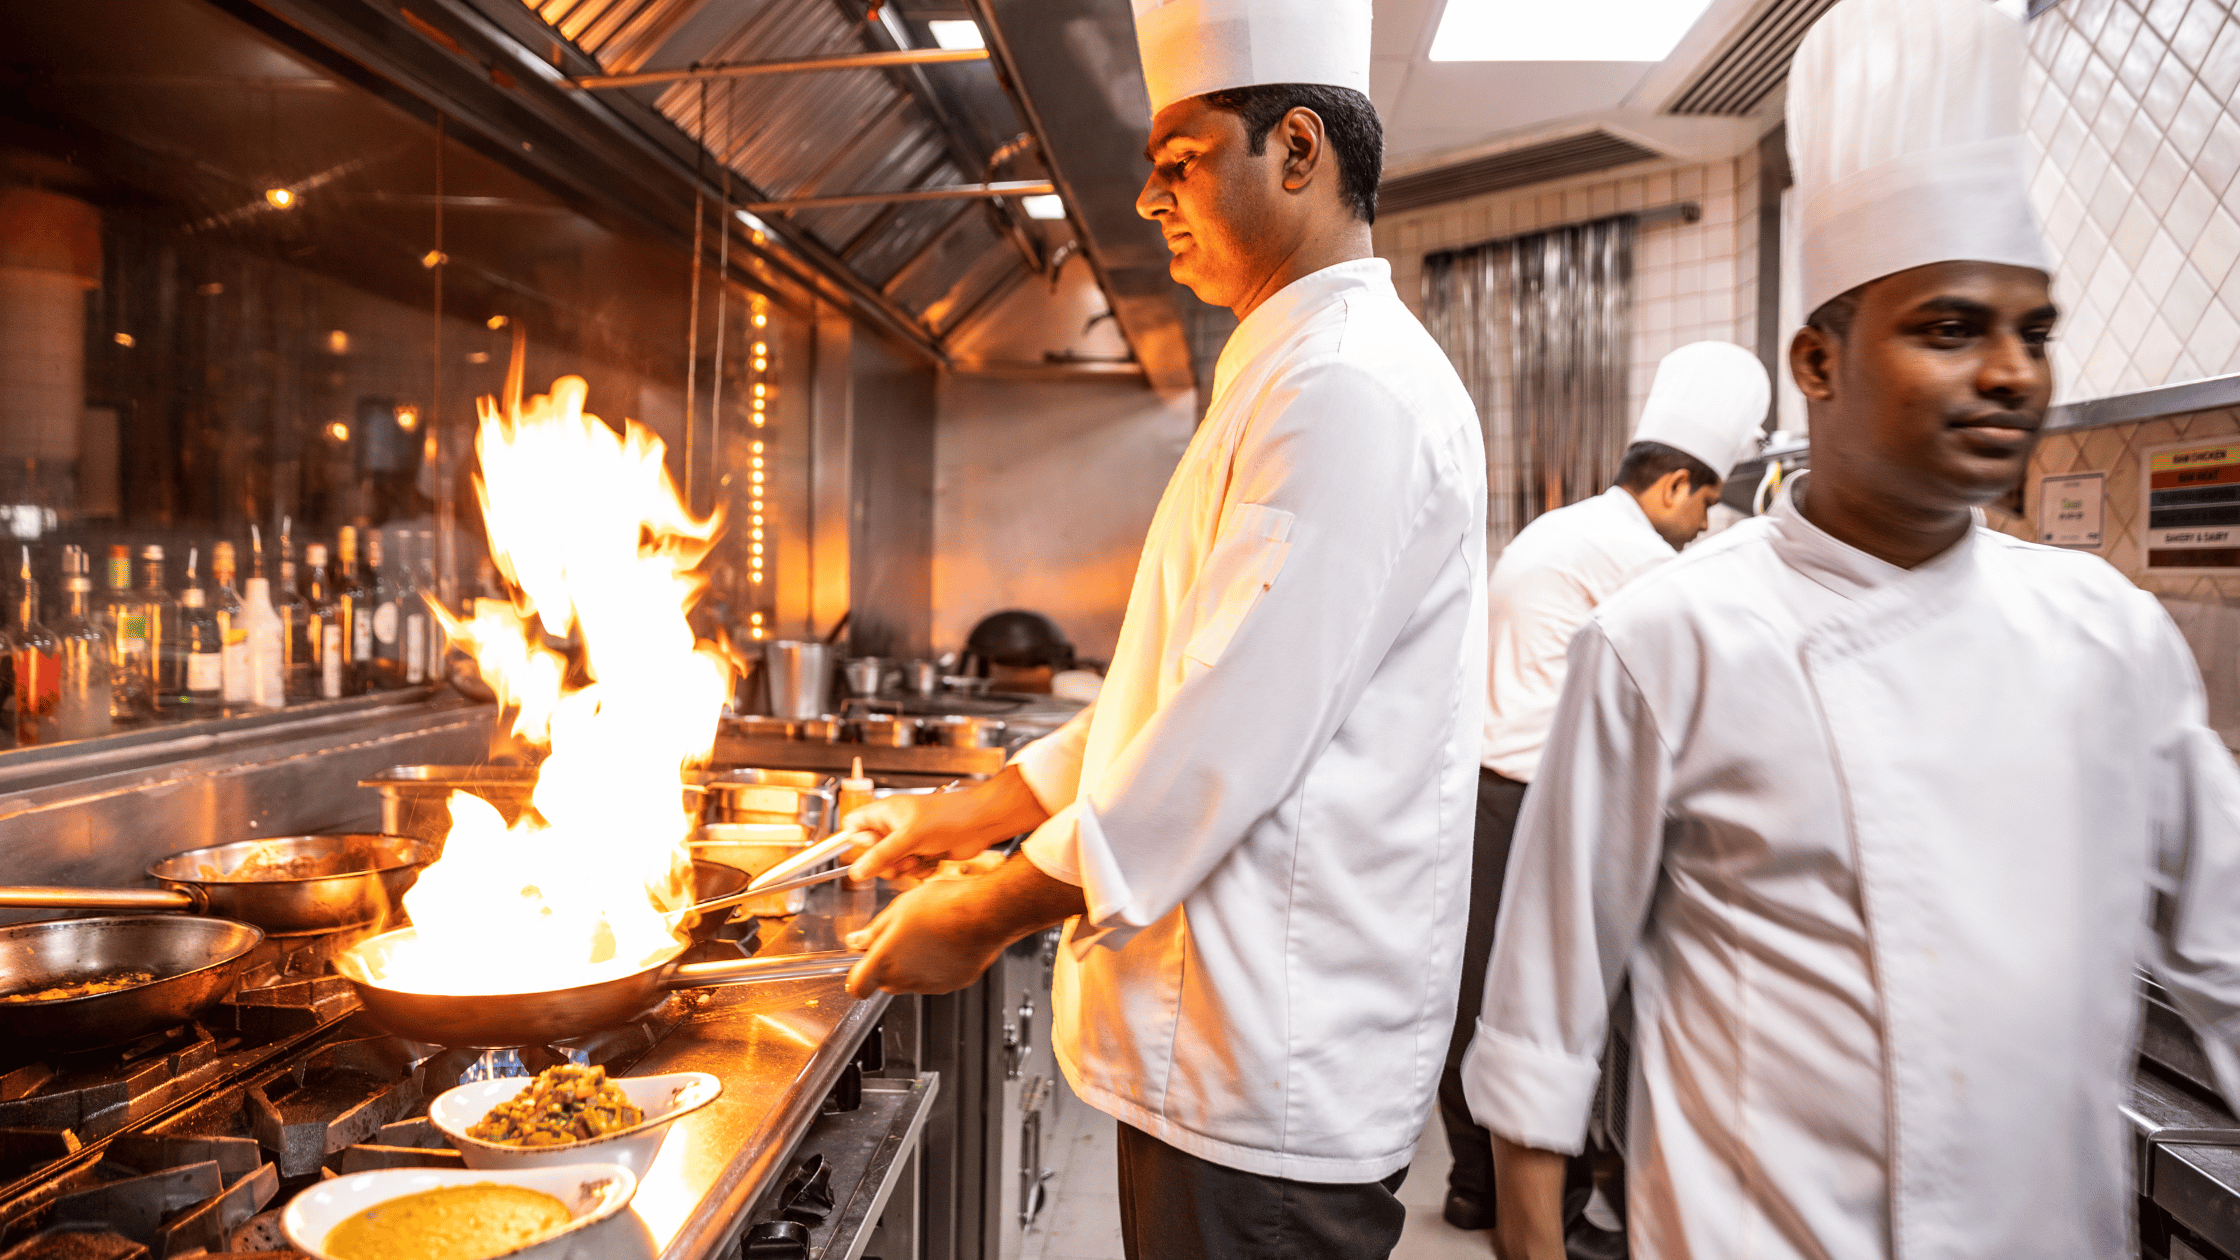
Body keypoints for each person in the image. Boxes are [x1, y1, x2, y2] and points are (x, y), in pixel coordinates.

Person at [1463, 1, 2240, 1257]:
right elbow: (1542, 1031)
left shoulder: (2110, 639)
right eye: (1947, 328)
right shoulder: (1669, 640)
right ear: (1816, 362)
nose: (2007, 372)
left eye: (2029, 332)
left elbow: (2227, 956)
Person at [839, 1, 1489, 1257]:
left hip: (1265, 1077)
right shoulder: (1290, 365)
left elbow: (1217, 739)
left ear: (1294, 152)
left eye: (1178, 162)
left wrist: (982, 915)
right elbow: (1172, 695)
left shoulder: (1346, 389)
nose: (1149, 200)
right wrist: (963, 815)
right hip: (1229, 1059)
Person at [1439, 341, 1769, 1234]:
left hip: (1487, 792)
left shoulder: (1569, 527)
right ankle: (1571, 1207)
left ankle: (1476, 1184)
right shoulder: (1641, 559)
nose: (1704, 524)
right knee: (1560, 1011)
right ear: (1674, 486)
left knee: (1483, 999)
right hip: (1533, 802)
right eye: (1705, 502)